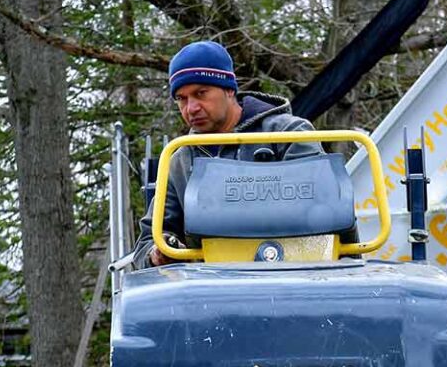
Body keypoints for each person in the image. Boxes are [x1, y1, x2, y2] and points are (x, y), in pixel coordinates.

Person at [130, 40, 322, 269]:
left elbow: (324, 214)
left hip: (293, 276)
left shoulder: (288, 134)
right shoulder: (180, 160)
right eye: (181, 98)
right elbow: (149, 241)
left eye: (201, 93)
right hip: (213, 289)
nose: (191, 108)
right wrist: (159, 253)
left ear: (229, 89)